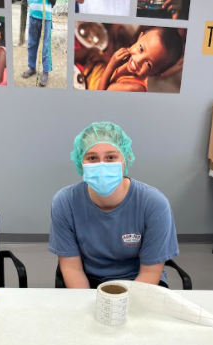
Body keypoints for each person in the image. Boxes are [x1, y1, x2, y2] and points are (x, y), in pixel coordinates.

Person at [49, 122, 179, 289]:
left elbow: (150, 272)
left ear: (125, 159)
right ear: (81, 162)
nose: (102, 165)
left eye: (110, 157)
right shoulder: (65, 202)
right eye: (92, 158)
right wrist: (87, 301)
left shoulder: (154, 204)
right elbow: (72, 268)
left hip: (139, 282)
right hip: (89, 281)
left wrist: (120, 303)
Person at [98, 27, 183, 92]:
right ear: (139, 37)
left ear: (155, 73)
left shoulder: (133, 88)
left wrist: (112, 64)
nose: (138, 60)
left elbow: (99, 97)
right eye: (141, 49)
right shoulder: (133, 65)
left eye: (148, 64)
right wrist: (103, 57)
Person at [22, 0, 55, 87]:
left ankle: (45, 71)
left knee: (45, 47)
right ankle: (32, 68)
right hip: (33, 15)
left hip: (46, 17)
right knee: (31, 44)